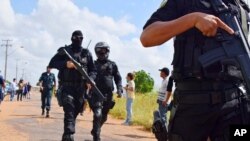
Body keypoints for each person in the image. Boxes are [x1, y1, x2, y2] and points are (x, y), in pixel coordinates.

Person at [140, 0, 250, 141]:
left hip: (236, 104)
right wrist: (193, 19)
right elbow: (147, 37)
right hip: (192, 105)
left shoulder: (241, 5)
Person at [48, 30, 96, 141]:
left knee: (74, 113)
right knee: (69, 109)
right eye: (75, 38)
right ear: (71, 38)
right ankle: (69, 134)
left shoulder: (86, 53)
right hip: (67, 87)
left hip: (81, 88)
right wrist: (65, 64)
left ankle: (66, 136)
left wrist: (91, 80)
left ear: (82, 39)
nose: (77, 40)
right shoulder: (65, 51)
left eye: (79, 38)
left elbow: (93, 70)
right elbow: (52, 63)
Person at [87, 41, 123, 141]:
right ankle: (97, 137)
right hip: (95, 93)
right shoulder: (92, 65)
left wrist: (119, 89)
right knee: (97, 114)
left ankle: (95, 129)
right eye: (100, 50)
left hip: (108, 94)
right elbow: (87, 76)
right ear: (96, 52)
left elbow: (118, 78)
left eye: (104, 50)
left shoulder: (113, 65)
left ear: (107, 51)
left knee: (104, 117)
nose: (102, 52)